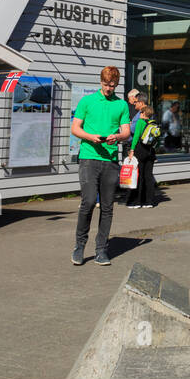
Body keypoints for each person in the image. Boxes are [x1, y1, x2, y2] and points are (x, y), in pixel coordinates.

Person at [72, 66, 131, 266]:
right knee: (88, 202)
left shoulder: (122, 105)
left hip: (111, 161)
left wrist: (118, 137)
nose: (108, 88)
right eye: (106, 84)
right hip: (88, 158)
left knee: (107, 207)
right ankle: (79, 246)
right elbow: (75, 128)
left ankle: (101, 250)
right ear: (100, 82)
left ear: (117, 84)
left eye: (112, 85)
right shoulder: (87, 101)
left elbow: (126, 133)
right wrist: (90, 137)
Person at [126, 102, 163, 209]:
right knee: (148, 177)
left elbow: (136, 137)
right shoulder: (154, 124)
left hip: (140, 151)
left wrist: (132, 150)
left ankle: (137, 201)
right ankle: (149, 201)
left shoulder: (140, 122)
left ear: (142, 113)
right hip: (150, 152)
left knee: (139, 176)